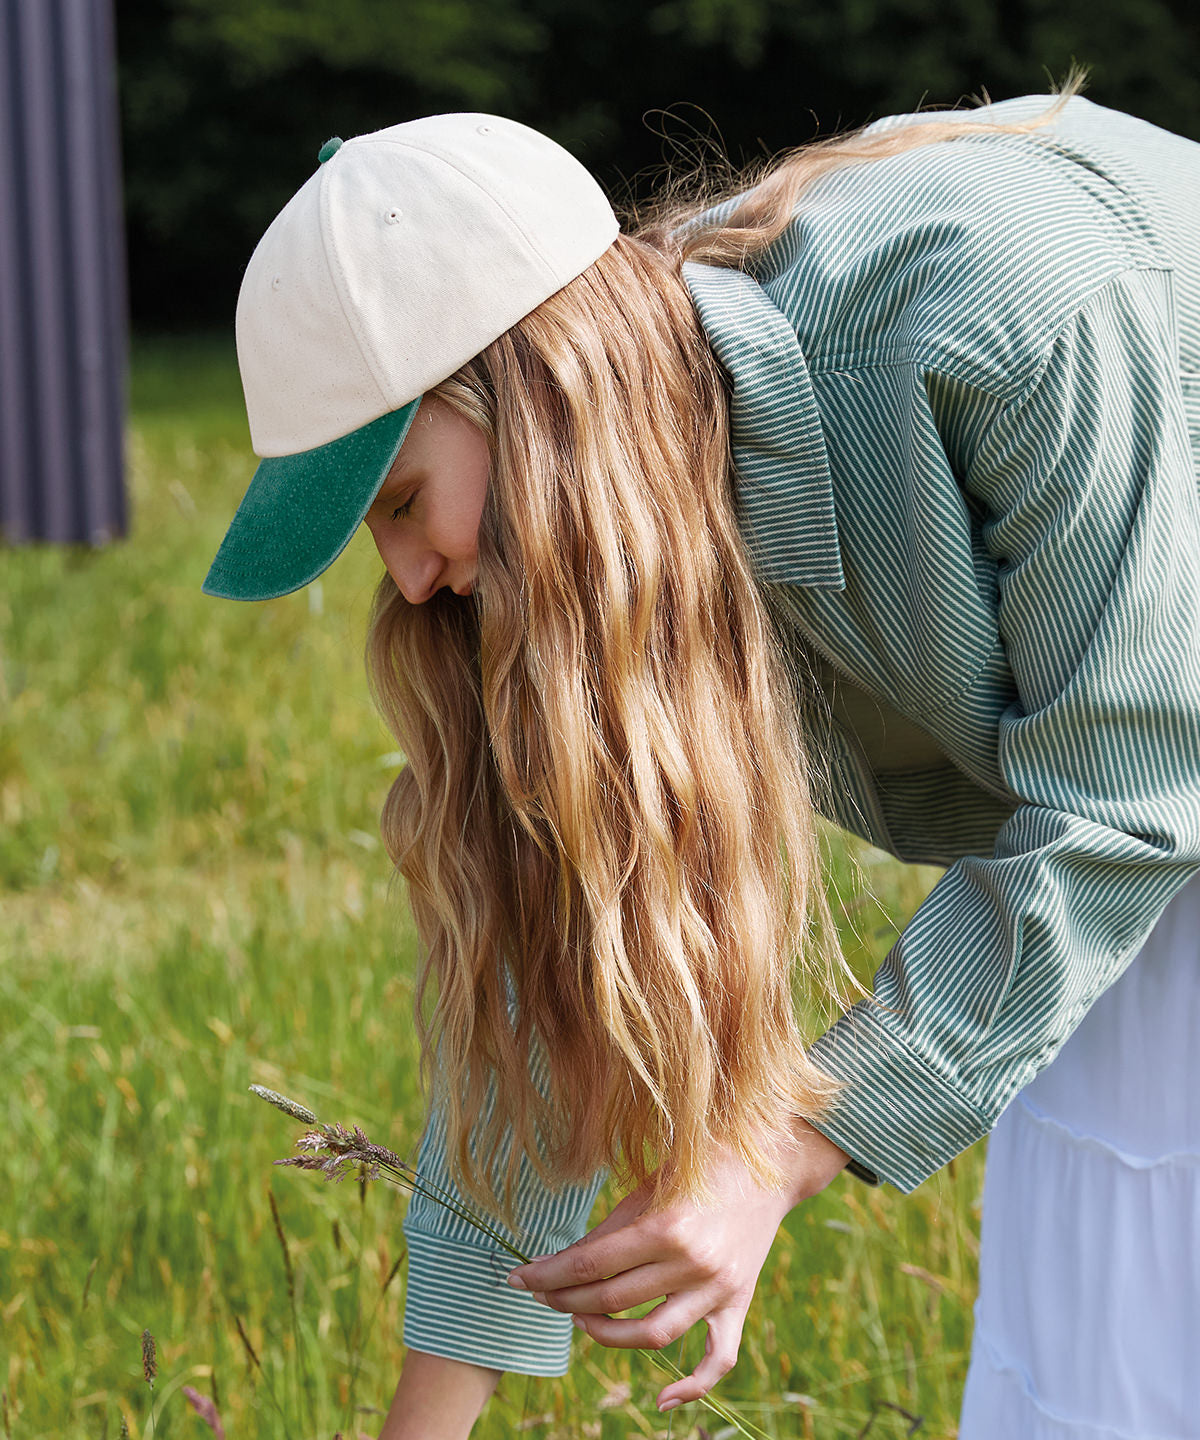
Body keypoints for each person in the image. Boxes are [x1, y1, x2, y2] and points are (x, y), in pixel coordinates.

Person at [203, 82, 1200, 1439]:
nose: (411, 576)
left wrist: (780, 1149)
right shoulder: (611, 527)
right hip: (1134, 820)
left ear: (535, 394)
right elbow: (542, 961)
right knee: (1093, 1338)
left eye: (402, 503)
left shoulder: (1001, 316)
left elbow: (1130, 797)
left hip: (1150, 782)